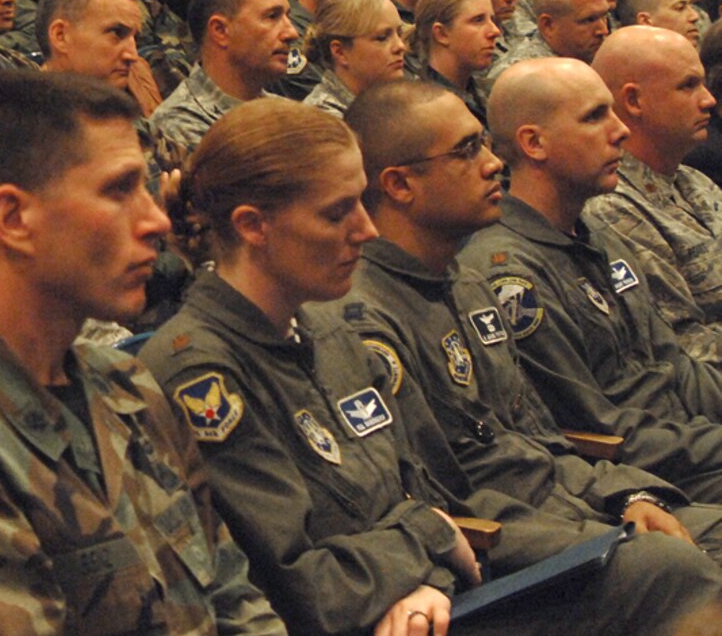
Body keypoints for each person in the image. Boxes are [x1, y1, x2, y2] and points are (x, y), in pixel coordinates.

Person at [141, 98, 722, 635]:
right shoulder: (201, 374)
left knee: (672, 559)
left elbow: (429, 492)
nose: (366, 230)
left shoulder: (328, 333)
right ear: (252, 226)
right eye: (338, 212)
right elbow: (298, 581)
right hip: (386, 617)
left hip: (433, 595)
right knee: (664, 570)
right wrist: (425, 552)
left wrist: (428, 568)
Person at [0, 72, 284, 635]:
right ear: (14, 220)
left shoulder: (129, 385)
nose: (155, 221)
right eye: (119, 190)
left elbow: (232, 595)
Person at [344, 79, 722, 556]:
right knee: (676, 564)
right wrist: (605, 528)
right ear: (399, 184)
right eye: (466, 151)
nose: (493, 164)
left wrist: (627, 495)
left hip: (586, 499)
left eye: (482, 143)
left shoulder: (468, 285)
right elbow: (450, 491)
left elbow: (542, 441)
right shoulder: (379, 315)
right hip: (510, 544)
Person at [460, 58, 722, 504]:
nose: (620, 131)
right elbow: (599, 426)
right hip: (644, 481)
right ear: (534, 143)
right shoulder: (508, 275)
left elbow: (675, 368)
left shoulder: (597, 235)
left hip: (690, 448)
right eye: (595, 116)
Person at [587, 26, 722, 362]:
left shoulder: (693, 182)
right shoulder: (612, 207)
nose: (709, 99)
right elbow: (684, 349)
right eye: (688, 86)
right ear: (634, 101)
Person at [151, 0, 298, 152]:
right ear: (220, 31)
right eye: (272, 16)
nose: (292, 33)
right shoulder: (180, 127)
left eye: (287, 16)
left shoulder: (286, 113)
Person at [302, 0, 408, 116]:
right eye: (382, 38)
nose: (400, 46)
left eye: (399, 33)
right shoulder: (323, 122)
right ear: (340, 52)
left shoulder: (391, 103)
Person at [409, 0, 501, 124]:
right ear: (442, 34)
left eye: (492, 20)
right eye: (478, 20)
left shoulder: (491, 93)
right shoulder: (419, 108)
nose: (495, 31)